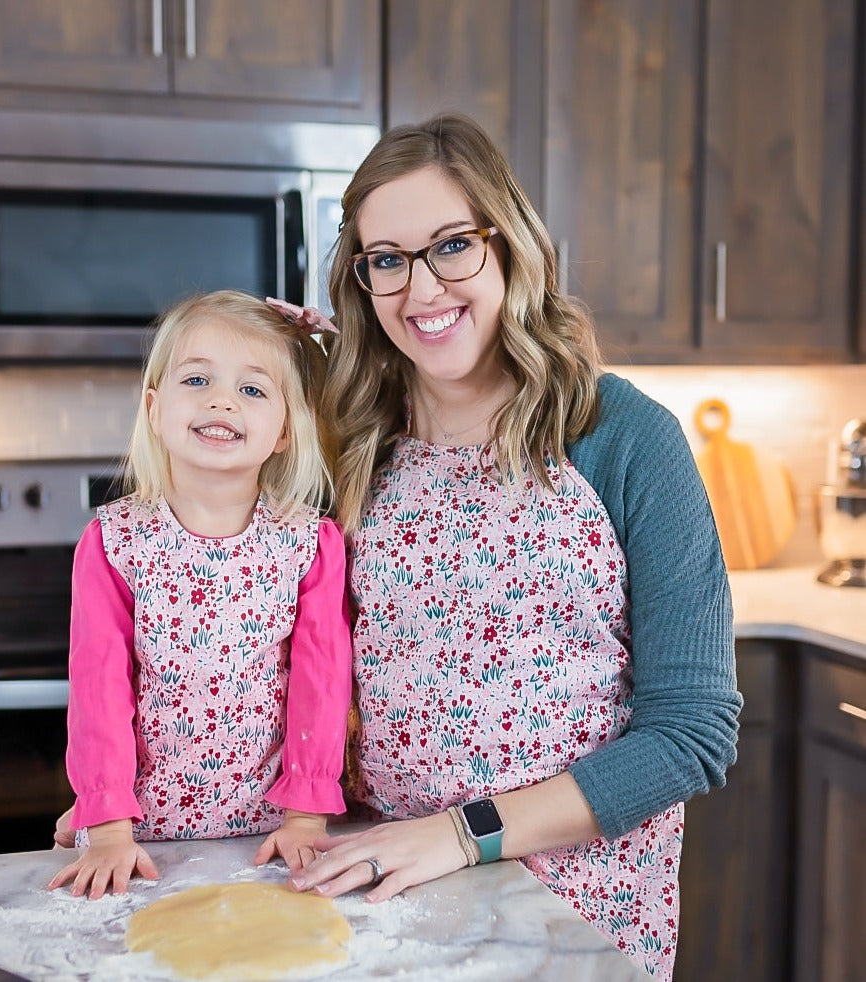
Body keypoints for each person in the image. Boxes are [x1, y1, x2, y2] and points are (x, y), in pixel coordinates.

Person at [279, 114, 742, 981]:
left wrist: (462, 834)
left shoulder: (622, 435)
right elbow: (265, 652)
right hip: (387, 890)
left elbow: (692, 733)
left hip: (579, 908)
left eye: (452, 246)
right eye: (387, 259)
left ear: (511, 245)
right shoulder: (347, 445)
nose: (421, 290)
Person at [47, 290, 352, 900]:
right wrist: (105, 822)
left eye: (252, 390)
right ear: (155, 410)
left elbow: (321, 685)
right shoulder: (114, 542)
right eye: (198, 379)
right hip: (143, 842)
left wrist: (307, 816)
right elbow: (98, 688)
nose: (221, 400)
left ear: (285, 430)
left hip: (270, 837)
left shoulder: (311, 546)